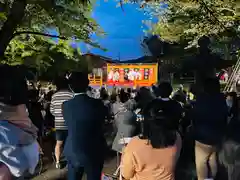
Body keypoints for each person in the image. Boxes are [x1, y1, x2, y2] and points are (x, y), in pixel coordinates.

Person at [120, 95, 182, 180]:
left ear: (145, 121)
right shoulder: (177, 137)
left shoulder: (135, 144)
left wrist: (125, 153)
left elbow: (126, 174)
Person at [63, 71, 107, 180]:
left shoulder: (66, 106)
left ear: (70, 86)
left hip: (73, 148)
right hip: (94, 149)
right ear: (87, 85)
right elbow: (102, 122)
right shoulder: (97, 104)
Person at [192, 78, 228, 180]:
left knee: (201, 162)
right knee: (213, 159)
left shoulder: (202, 100)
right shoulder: (222, 99)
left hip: (202, 137)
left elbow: (195, 116)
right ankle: (213, 177)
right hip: (217, 136)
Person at [50, 76, 74, 169]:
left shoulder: (54, 96)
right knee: (70, 142)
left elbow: (52, 110)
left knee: (58, 143)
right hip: (69, 123)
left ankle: (58, 162)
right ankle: (70, 160)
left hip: (59, 124)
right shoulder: (71, 95)